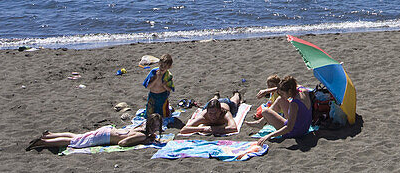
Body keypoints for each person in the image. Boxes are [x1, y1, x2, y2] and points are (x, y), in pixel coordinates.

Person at [27, 114, 161, 150]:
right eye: (156, 126)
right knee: (73, 141)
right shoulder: (141, 135)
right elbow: (123, 143)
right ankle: (44, 142)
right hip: (104, 136)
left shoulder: (142, 126)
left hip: (107, 130)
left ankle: (50, 134)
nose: (157, 129)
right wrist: (144, 141)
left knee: (79, 136)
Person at [256, 76, 313, 145]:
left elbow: (289, 128)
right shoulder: (303, 90)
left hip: (296, 132)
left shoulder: (294, 104)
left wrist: (269, 135)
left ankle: (262, 121)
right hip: (305, 127)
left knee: (265, 111)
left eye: (282, 93)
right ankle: (261, 122)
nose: (282, 95)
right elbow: (283, 89)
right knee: (281, 99)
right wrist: (267, 91)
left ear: (289, 91)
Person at [179, 92, 243, 135]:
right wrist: (202, 128)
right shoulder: (203, 116)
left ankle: (236, 93)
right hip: (211, 105)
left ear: (220, 111)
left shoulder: (225, 114)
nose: (213, 116)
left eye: (215, 114)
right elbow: (184, 129)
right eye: (210, 114)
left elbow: (234, 128)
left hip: (225, 103)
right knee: (211, 101)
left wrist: (215, 129)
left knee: (234, 101)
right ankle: (215, 97)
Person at [143, 53, 174, 119]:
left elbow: (169, 89)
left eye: (165, 66)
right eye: (161, 65)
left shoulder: (168, 75)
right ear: (159, 63)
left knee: (163, 115)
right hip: (152, 95)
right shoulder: (154, 72)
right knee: (149, 115)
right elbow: (148, 86)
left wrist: (165, 85)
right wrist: (156, 78)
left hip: (162, 96)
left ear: (169, 67)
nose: (162, 68)